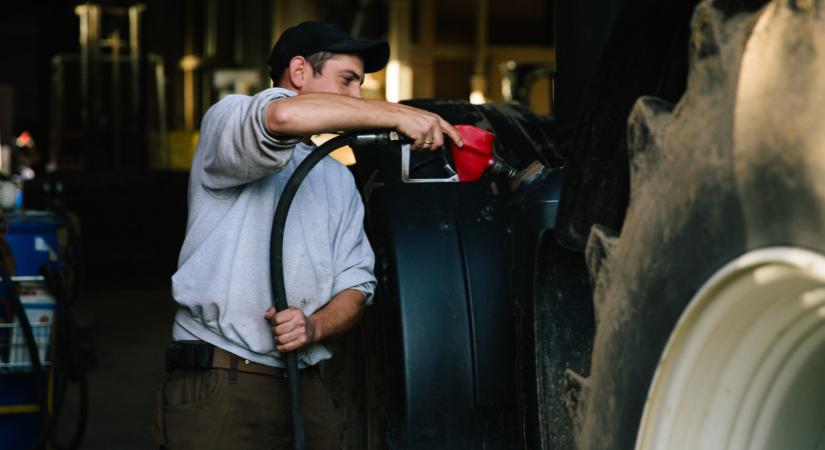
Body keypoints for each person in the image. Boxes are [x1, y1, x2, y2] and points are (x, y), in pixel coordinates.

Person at [153, 21, 463, 450]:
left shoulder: (335, 177)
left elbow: (357, 286)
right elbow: (282, 116)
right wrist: (397, 113)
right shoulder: (228, 120)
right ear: (299, 73)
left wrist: (315, 326)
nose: (356, 97)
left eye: (361, 85)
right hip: (223, 378)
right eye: (347, 81)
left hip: (305, 384)